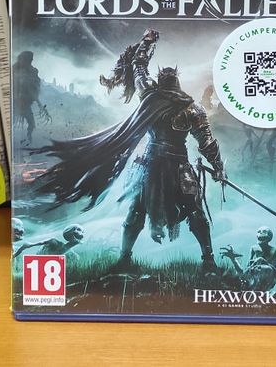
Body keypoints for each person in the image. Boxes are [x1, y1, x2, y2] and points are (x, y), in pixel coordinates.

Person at [32, 29, 226, 273]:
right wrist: (218, 168)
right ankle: (206, 261)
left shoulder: (149, 94)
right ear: (177, 81)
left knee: (139, 211)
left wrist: (147, 42)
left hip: (151, 165)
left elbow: (139, 66)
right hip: (176, 168)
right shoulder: (192, 109)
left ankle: (129, 259)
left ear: (161, 81)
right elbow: (207, 143)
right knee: (191, 211)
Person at [12, 50, 43, 145]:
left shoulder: (33, 71)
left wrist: (36, 100)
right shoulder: (14, 70)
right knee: (11, 121)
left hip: (25, 103)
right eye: (28, 59)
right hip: (15, 102)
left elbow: (35, 86)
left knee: (31, 124)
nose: (30, 61)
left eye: (30, 60)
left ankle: (28, 139)